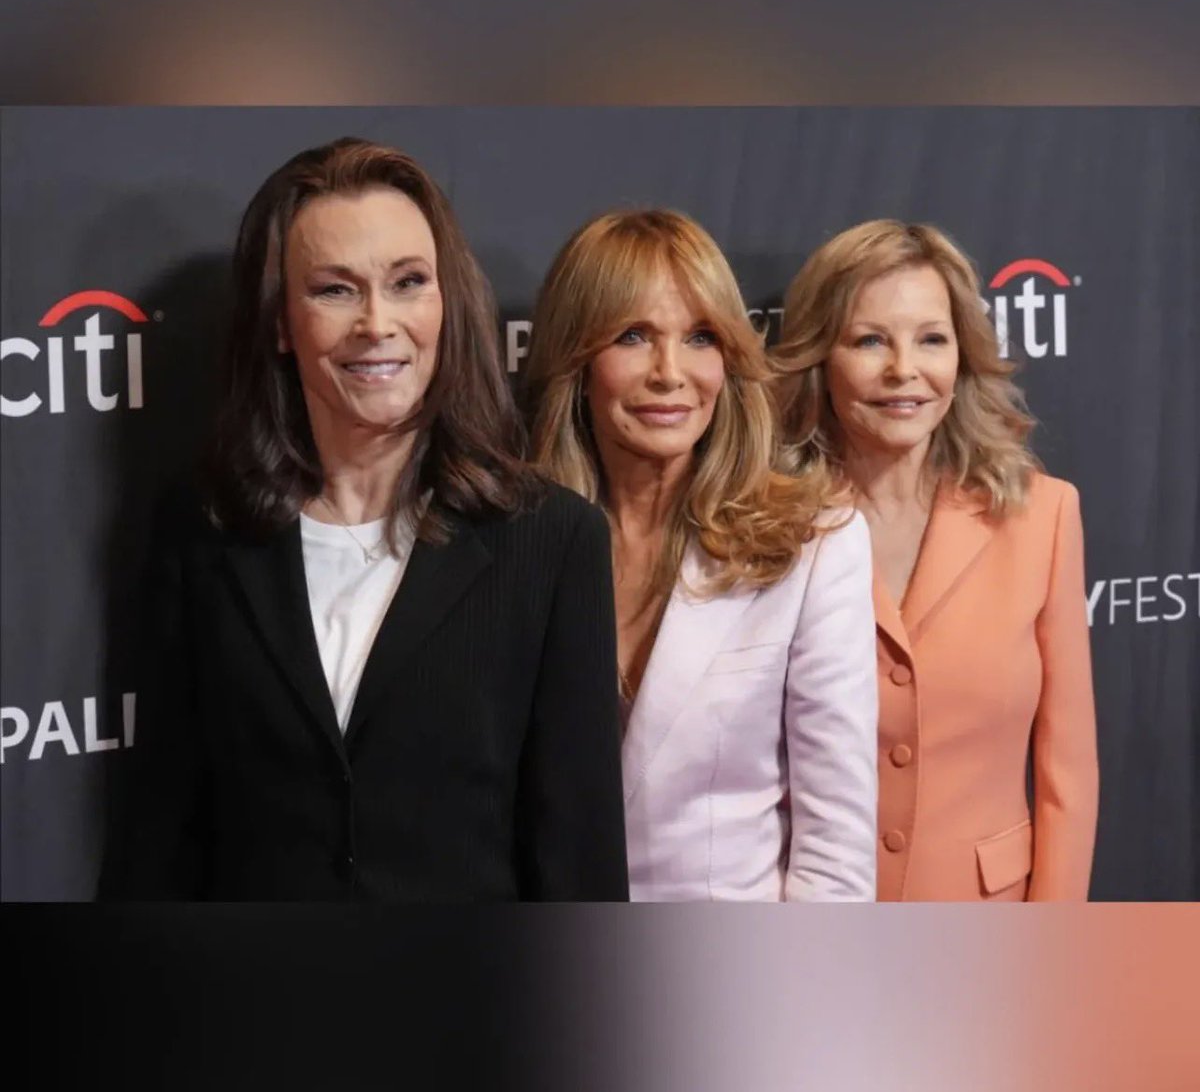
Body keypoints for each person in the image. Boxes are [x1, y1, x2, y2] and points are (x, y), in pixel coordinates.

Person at [100, 137, 629, 900]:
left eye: (408, 282)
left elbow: (578, 855)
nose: (377, 323)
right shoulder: (204, 530)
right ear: (281, 324)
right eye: (335, 290)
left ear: (446, 303)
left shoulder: (552, 541)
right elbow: (158, 831)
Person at [525, 209, 878, 901]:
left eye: (700, 338)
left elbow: (835, 851)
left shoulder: (814, 544)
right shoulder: (513, 544)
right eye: (632, 336)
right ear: (577, 359)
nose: (670, 373)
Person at [773, 219, 1099, 901]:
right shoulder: (767, 525)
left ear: (963, 354)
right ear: (820, 358)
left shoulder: (1042, 516)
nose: (904, 370)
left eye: (931, 339)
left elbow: (1067, 775)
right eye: (870, 340)